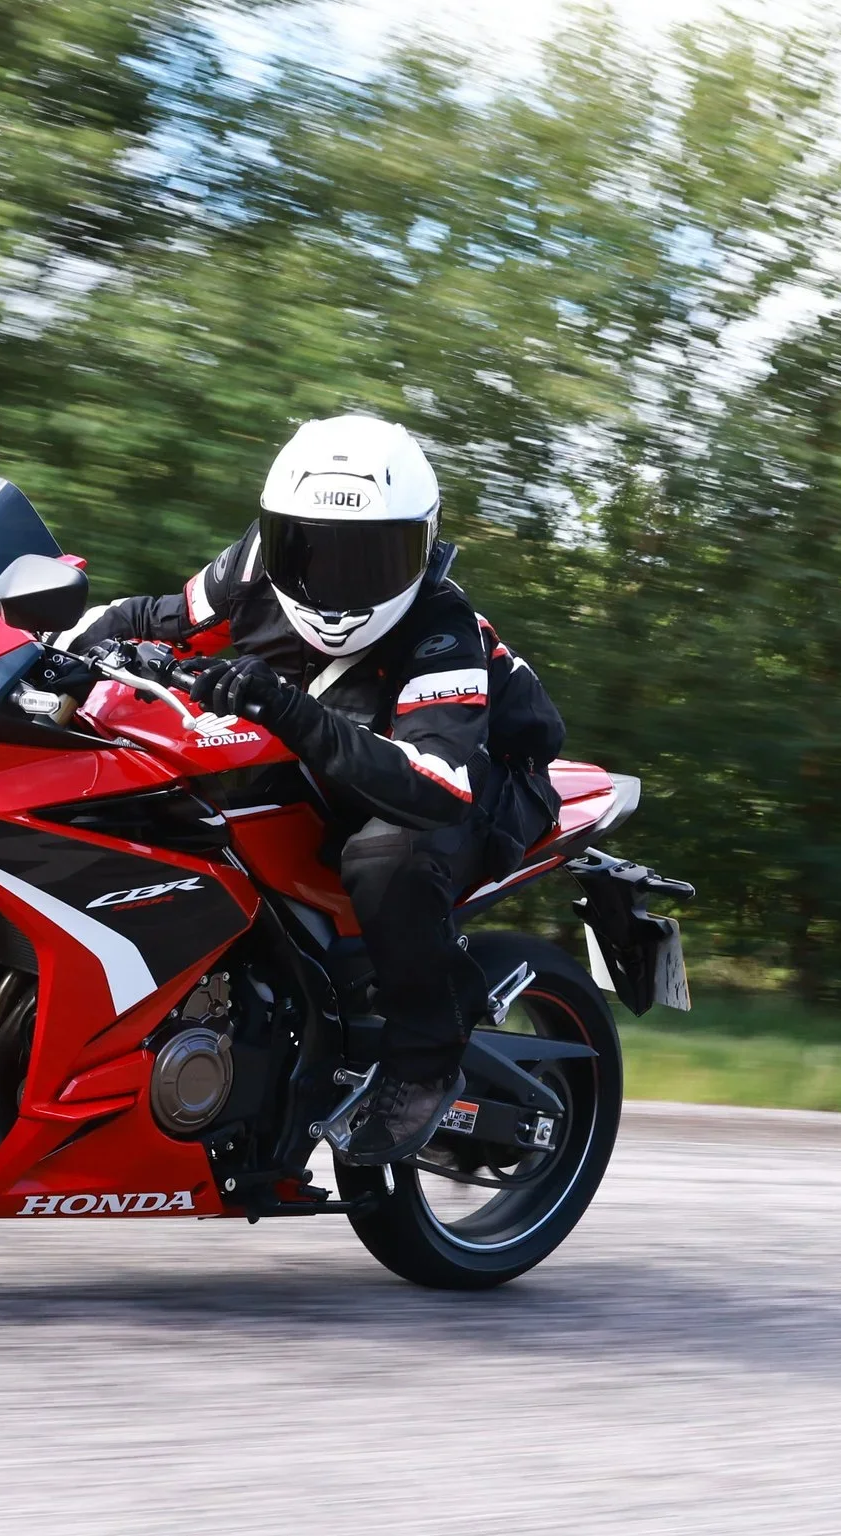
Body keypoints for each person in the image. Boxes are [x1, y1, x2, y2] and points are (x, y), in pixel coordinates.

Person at [60, 414, 564, 1164]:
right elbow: (159, 619)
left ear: (421, 548)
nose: (335, 580)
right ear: (278, 536)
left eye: (369, 558)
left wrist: (285, 707)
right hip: (337, 754)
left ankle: (427, 1052)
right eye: (310, 550)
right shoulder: (253, 565)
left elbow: (435, 786)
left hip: (483, 776)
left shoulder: (443, 630)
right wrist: (40, 638)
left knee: (387, 856)